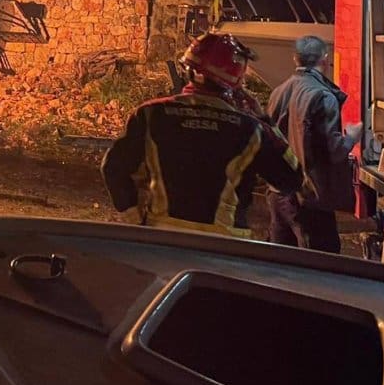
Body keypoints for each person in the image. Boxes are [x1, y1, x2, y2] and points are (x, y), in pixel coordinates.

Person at [101, 32, 303, 238]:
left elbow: (114, 168)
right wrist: (265, 119)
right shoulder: (250, 129)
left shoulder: (150, 114)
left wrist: (134, 217)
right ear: (237, 78)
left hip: (162, 239)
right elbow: (291, 178)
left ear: (189, 69)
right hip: (225, 245)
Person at [266, 34, 363, 253]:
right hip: (309, 199)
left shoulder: (278, 92)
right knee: (319, 266)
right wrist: (352, 136)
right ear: (325, 59)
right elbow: (335, 151)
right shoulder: (322, 96)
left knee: (281, 267)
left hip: (278, 195)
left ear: (295, 59)